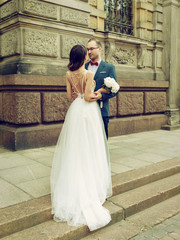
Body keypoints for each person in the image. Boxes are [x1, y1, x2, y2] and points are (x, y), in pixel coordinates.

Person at [50, 45, 112, 231]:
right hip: (87, 112)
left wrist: (82, 94)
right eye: (86, 53)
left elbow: (71, 96)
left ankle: (73, 180)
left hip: (75, 111)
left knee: (75, 147)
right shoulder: (88, 74)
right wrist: (99, 93)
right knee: (91, 146)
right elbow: (87, 98)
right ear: (83, 56)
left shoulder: (68, 74)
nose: (88, 54)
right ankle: (90, 183)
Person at [85, 38, 118, 138]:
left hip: (101, 109)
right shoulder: (84, 67)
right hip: (85, 110)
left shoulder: (109, 67)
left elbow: (115, 90)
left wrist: (101, 96)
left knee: (102, 140)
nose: (89, 52)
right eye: (87, 49)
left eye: (91, 49)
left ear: (99, 49)